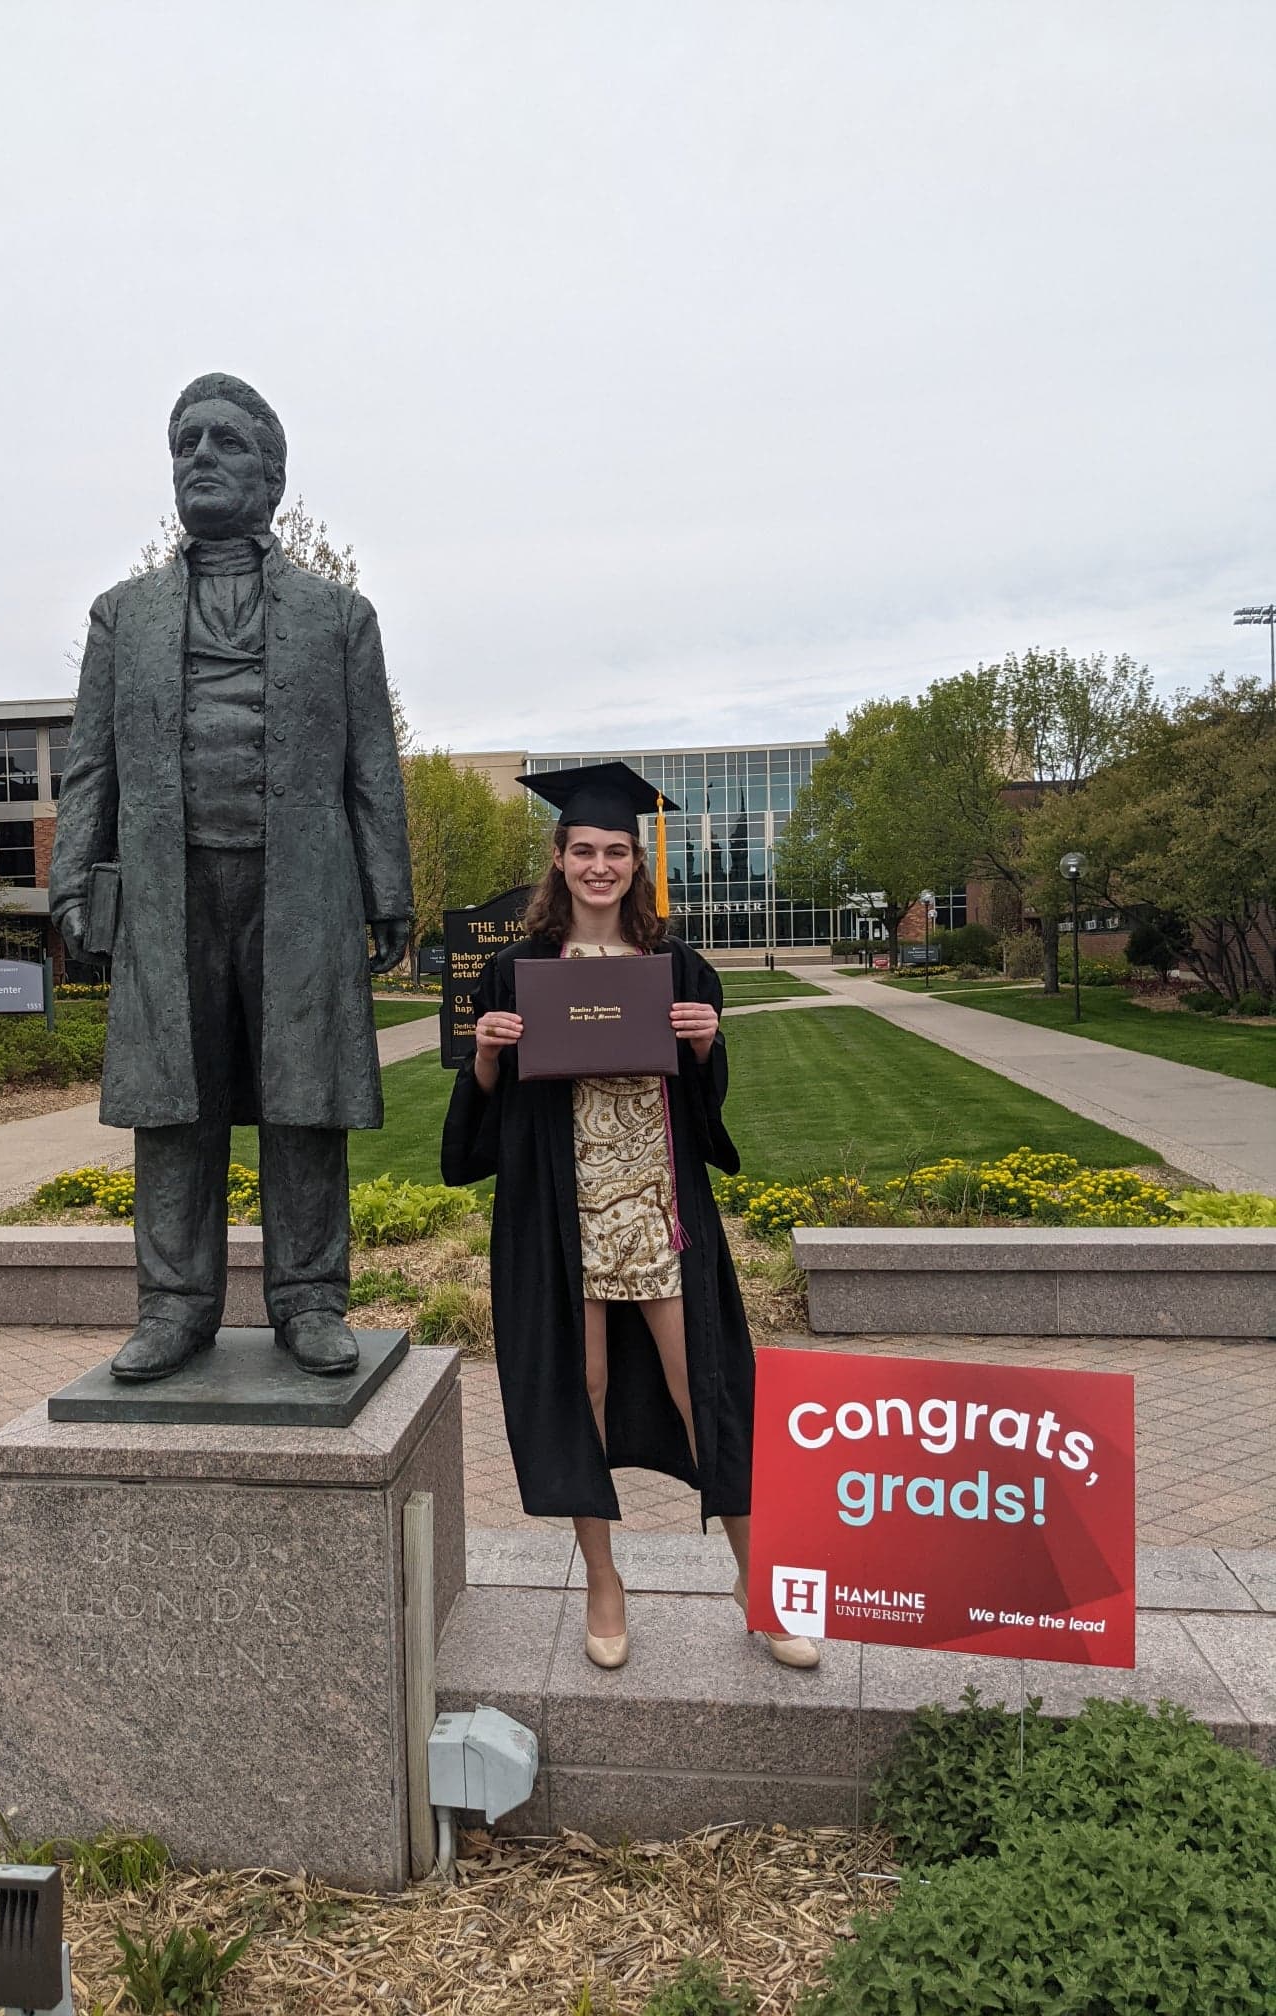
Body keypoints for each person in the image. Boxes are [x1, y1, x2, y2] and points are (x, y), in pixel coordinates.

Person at [50, 372, 412, 1382]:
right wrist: (71, 880)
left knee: (304, 1098)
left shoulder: (340, 616)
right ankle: (174, 1306)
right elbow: (92, 764)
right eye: (185, 444)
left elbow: (370, 764)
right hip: (172, 897)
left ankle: (309, 1299)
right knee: (176, 1103)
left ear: (271, 476)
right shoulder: (123, 616)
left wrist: (389, 890)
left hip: (302, 891)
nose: (200, 458)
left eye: (226, 444)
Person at [441, 762, 818, 1670]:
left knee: (708, 1389)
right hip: (559, 1219)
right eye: (584, 851)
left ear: (634, 863)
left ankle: (752, 1579)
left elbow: (706, 1099)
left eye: (616, 851)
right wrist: (487, 1054)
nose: (600, 865)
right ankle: (604, 1582)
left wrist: (704, 1045)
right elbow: (479, 1118)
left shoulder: (679, 967)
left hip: (658, 1210)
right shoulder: (514, 971)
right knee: (587, 1390)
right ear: (559, 859)